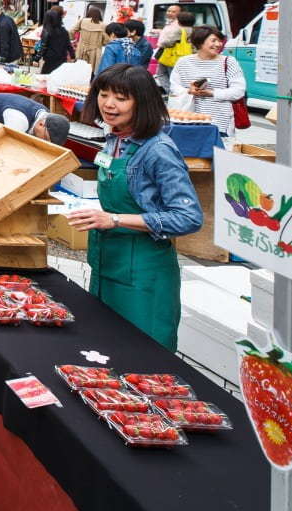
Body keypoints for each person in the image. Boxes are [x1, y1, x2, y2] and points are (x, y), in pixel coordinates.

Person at [68, 64, 202, 350]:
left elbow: (188, 217)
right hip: (107, 263)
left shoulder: (158, 150)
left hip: (143, 274)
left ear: (142, 103)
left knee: (141, 356)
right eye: (103, 94)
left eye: (121, 97)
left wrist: (115, 219)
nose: (109, 104)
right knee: (105, 351)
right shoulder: (114, 139)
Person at [170, 26, 246, 136]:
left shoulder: (229, 62)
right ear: (200, 42)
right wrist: (189, 91)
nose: (218, 44)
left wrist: (212, 93)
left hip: (219, 123)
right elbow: (174, 87)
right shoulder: (183, 62)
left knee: (217, 152)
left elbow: (239, 90)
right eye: (213, 40)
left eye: (220, 41)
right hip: (187, 120)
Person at [0, 92, 71, 145]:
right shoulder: (19, 120)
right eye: (46, 139)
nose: (44, 142)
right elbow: (6, 145)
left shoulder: (44, 114)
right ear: (41, 125)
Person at [155, 8, 194, 92]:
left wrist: (161, 44)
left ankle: (171, 93)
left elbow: (168, 42)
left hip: (173, 57)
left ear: (179, 21)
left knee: (163, 74)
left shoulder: (179, 30)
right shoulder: (193, 30)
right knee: (179, 78)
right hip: (187, 57)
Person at [38, 7, 71, 75]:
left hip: (50, 59)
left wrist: (36, 58)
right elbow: (68, 44)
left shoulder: (47, 30)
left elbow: (44, 46)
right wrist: (73, 55)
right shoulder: (64, 30)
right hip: (62, 58)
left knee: (45, 76)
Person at [74, 4, 108, 69]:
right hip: (95, 52)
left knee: (79, 68)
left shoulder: (82, 21)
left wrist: (74, 39)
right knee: (91, 70)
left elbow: (71, 31)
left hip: (81, 50)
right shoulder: (103, 25)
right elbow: (106, 41)